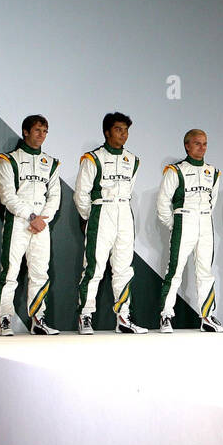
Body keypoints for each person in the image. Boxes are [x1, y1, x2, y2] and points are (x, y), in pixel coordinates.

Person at [74, 112, 146, 334]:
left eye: (125, 130)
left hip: (124, 211)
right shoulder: (92, 158)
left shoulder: (133, 160)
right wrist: (92, 217)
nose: (123, 134)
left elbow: (130, 190)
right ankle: (85, 316)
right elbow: (81, 194)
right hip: (101, 210)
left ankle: (123, 318)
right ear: (106, 132)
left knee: (124, 268)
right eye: (118, 129)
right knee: (94, 267)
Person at [0, 115, 62, 335]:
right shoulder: (8, 159)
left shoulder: (51, 163)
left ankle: (38, 320)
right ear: (25, 131)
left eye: (45, 131)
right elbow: (7, 196)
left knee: (40, 273)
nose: (41, 135)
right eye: (37, 130)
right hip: (18, 223)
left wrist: (42, 219)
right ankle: (4, 318)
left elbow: (55, 197)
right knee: (10, 273)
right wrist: (32, 217)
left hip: (42, 225)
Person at [157, 129, 223, 333]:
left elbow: (212, 201)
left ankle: (207, 317)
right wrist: (175, 224)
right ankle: (165, 316)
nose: (202, 147)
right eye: (197, 143)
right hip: (183, 219)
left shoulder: (213, 172)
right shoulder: (175, 170)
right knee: (175, 270)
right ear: (187, 145)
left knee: (206, 271)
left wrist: (201, 217)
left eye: (205, 143)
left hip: (205, 222)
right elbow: (162, 203)